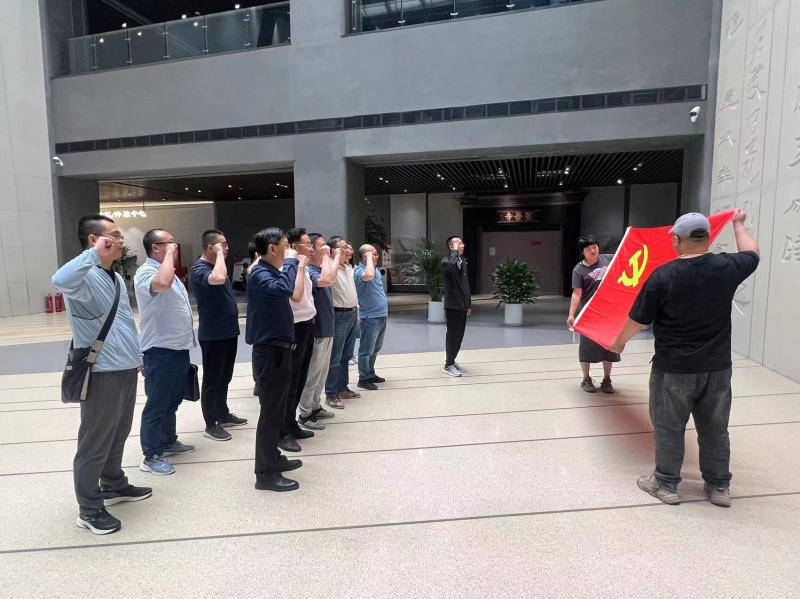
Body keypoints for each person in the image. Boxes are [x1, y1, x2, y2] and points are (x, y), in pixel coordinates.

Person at [610, 209, 760, 508]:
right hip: (717, 368)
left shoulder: (664, 275)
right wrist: (739, 225)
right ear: (706, 238)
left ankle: (666, 484)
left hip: (673, 369)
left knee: (669, 427)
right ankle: (718, 486)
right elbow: (752, 253)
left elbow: (638, 319)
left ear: (677, 240)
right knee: (715, 428)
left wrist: (619, 341)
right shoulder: (728, 267)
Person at [52, 215, 151, 535]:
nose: (121, 241)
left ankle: (113, 483)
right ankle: (90, 508)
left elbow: (123, 321)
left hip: (124, 366)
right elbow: (60, 279)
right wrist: (93, 254)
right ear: (95, 240)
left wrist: (135, 355)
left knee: (118, 432)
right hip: (101, 370)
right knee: (95, 441)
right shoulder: (83, 277)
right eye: (114, 236)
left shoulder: (116, 277)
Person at [134, 229, 196, 476]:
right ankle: (151, 455)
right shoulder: (146, 272)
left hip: (178, 347)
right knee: (157, 404)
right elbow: (162, 284)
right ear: (155, 247)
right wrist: (170, 255)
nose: (174, 246)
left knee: (173, 399)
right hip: (159, 349)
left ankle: (168, 440)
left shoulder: (166, 269)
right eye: (169, 243)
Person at [246, 227, 303, 491]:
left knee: (277, 411)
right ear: (272, 249)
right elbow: (285, 289)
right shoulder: (261, 273)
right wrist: (292, 261)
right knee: (270, 415)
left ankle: (273, 457)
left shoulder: (269, 272)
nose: (289, 250)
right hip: (270, 352)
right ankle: (265, 474)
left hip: (279, 349)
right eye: (285, 245)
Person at [189, 230, 247, 443]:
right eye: (222, 245)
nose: (227, 248)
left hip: (228, 330)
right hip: (213, 333)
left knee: (225, 377)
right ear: (210, 247)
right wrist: (220, 255)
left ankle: (222, 413)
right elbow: (219, 279)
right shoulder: (199, 269)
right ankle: (211, 423)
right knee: (213, 380)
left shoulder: (216, 266)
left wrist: (220, 255)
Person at [297, 234, 342, 430]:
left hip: (327, 328)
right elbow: (325, 281)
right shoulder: (310, 271)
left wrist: (330, 258)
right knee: (313, 374)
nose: (326, 249)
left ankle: (315, 406)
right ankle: (305, 412)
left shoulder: (321, 269)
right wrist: (328, 256)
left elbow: (331, 277)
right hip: (317, 330)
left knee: (322, 373)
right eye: (322, 246)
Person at [279, 227, 317, 452]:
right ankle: (282, 431)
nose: (311, 248)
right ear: (294, 247)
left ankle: (291, 423)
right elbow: (296, 295)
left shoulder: (303, 268)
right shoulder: (289, 268)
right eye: (307, 244)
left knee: (300, 377)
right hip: (295, 328)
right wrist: (299, 266)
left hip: (308, 325)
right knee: (290, 380)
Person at [567, 235, 620, 393]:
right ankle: (586, 379)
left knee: (609, 347)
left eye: (594, 247)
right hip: (590, 314)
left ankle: (607, 379)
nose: (592, 251)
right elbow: (577, 293)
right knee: (587, 348)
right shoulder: (579, 270)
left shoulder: (608, 259)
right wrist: (571, 314)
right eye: (588, 249)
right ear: (583, 252)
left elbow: (625, 257)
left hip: (609, 313)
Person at [325, 237, 361, 408]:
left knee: (346, 355)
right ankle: (331, 394)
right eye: (344, 247)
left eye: (349, 247)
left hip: (352, 314)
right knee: (335, 357)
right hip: (339, 315)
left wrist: (357, 310)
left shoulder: (346, 268)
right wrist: (335, 259)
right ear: (333, 251)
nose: (349, 251)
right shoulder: (329, 267)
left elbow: (351, 292)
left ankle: (342, 388)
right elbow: (329, 281)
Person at [354, 244, 389, 391]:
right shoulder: (360, 271)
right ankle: (363, 378)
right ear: (364, 256)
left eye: (376, 254)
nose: (376, 256)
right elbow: (368, 276)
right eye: (373, 254)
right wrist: (369, 258)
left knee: (375, 348)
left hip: (381, 314)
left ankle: (370, 373)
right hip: (370, 316)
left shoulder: (375, 270)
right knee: (366, 350)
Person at [441, 236, 471, 377]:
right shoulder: (446, 262)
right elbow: (450, 268)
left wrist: (468, 303)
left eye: (462, 243)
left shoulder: (461, 262)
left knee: (459, 335)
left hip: (462, 304)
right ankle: (448, 366)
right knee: (453, 335)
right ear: (451, 247)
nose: (462, 245)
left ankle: (452, 361)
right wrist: (455, 252)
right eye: (458, 243)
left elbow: (465, 284)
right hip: (453, 305)